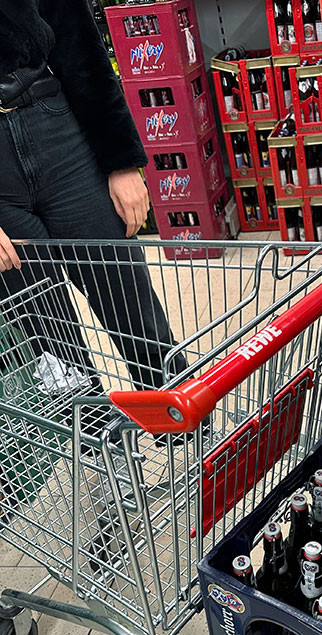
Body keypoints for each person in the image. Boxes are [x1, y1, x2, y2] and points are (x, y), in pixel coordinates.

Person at [0, 0, 186, 406]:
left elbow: (77, 39)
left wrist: (120, 162)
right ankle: (99, 448)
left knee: (129, 298)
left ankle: (183, 426)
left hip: (55, 127)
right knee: (45, 332)